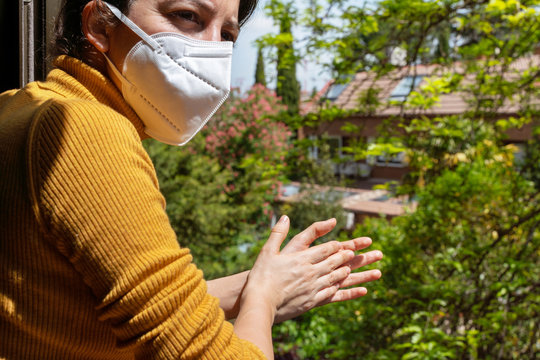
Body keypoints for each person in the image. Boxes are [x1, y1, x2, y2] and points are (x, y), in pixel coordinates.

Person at [0, 0, 383, 358]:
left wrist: (261, 283)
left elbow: (92, 312)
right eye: (187, 16)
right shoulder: (83, 130)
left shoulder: (19, 104)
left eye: (227, 35)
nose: (213, 50)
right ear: (101, 25)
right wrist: (263, 299)